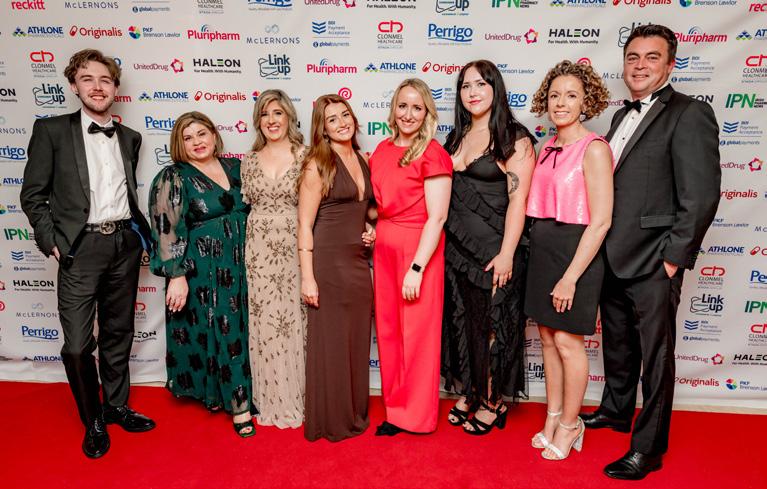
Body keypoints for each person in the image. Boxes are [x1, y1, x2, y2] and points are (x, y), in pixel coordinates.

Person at [580, 24, 720, 479]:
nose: (640, 65)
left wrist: (674, 258)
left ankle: (648, 448)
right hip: (613, 253)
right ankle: (617, 410)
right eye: (633, 57)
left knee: (656, 357)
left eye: (652, 57)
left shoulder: (689, 113)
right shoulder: (619, 117)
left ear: (670, 64)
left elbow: (701, 195)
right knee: (618, 343)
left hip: (655, 259)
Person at [20, 49, 155, 458]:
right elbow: (33, 195)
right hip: (80, 247)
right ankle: (92, 419)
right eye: (87, 79)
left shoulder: (130, 138)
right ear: (74, 85)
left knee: (118, 332)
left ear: (115, 87)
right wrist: (53, 242)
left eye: (105, 80)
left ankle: (115, 406)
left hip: (124, 243)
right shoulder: (51, 131)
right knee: (78, 345)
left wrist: (137, 238)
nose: (97, 87)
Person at [441, 60, 536, 435]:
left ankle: (494, 401)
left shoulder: (513, 137)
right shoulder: (457, 137)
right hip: (459, 250)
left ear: (496, 89)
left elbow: (518, 201)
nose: (473, 92)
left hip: (497, 249)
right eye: (466, 86)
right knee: (466, 323)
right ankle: (473, 390)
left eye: (481, 84)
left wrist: (507, 253)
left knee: (495, 325)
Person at [525, 60, 613, 460]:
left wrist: (571, 277)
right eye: (555, 95)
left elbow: (601, 221)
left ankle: (571, 424)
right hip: (544, 247)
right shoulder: (546, 147)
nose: (561, 103)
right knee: (547, 337)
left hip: (577, 252)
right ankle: (553, 416)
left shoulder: (594, 148)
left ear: (586, 102)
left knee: (567, 341)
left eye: (571, 95)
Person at [148, 111, 255, 438]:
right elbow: (165, 228)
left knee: (243, 328)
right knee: (224, 329)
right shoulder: (173, 177)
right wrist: (176, 275)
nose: (197, 142)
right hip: (205, 270)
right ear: (179, 144)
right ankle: (240, 405)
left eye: (201, 133)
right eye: (188, 137)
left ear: (214, 135)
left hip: (244, 263)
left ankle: (242, 390)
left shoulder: (236, 167)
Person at [370, 78, 452, 436]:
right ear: (393, 109)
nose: (408, 114)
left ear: (427, 113)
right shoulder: (382, 149)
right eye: (402, 106)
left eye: (417, 107)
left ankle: (416, 417)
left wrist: (417, 267)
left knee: (417, 334)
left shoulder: (432, 153)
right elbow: (379, 206)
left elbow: (437, 217)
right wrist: (370, 228)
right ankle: (395, 408)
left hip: (419, 251)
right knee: (389, 331)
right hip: (385, 249)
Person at [298, 94, 375, 442]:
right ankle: (331, 418)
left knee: (355, 339)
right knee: (331, 340)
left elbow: (365, 209)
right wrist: (308, 278)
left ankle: (354, 411)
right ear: (323, 129)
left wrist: (371, 226)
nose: (342, 123)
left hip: (357, 261)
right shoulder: (318, 164)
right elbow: (304, 224)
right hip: (328, 262)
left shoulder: (362, 158)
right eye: (332, 119)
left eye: (345, 115)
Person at [242, 89, 307, 429]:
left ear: (289, 117)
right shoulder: (248, 160)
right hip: (259, 251)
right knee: (266, 321)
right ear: (258, 121)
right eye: (265, 114)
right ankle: (268, 396)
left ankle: (300, 394)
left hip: (297, 245)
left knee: (295, 317)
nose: (271, 120)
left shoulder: (306, 155)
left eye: (278, 113)